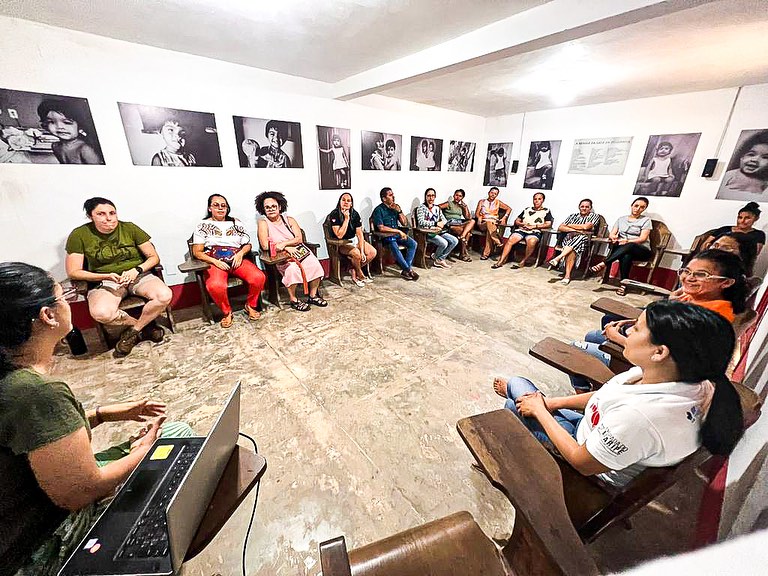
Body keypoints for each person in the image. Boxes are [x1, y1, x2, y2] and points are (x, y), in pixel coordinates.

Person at [0, 262, 193, 576]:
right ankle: (154, 555)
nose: (68, 303)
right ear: (47, 315)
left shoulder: (12, 380)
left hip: (28, 503)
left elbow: (36, 435)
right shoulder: (35, 392)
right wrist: (144, 451)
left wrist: (102, 414)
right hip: (40, 540)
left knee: (176, 431)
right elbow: (83, 490)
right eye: (63, 297)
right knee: (175, 442)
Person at [493, 300, 743, 487]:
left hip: (589, 465)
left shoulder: (641, 417)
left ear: (659, 352)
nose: (628, 332)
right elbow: (604, 396)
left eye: (637, 329)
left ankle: (513, 455)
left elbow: (581, 462)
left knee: (515, 400)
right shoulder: (687, 380)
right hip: (594, 427)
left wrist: (539, 411)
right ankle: (522, 403)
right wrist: (551, 403)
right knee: (523, 394)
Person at [572, 249, 748, 392]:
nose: (689, 278)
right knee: (599, 330)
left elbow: (667, 355)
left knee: (581, 344)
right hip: (651, 350)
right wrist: (637, 320)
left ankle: (588, 392)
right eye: (686, 271)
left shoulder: (709, 317)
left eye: (701, 274)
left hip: (657, 369)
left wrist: (616, 338)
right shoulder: (697, 298)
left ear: (726, 282)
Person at [65, 197, 172, 357]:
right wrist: (106, 276)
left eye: (112, 213)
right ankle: (143, 326)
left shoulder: (129, 228)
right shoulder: (79, 235)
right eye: (101, 214)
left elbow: (153, 257)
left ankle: (134, 331)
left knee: (164, 295)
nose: (108, 218)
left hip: (137, 275)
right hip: (106, 280)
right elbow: (74, 271)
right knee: (101, 313)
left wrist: (136, 270)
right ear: (90, 216)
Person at [192, 194, 266, 327]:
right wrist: (215, 261)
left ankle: (250, 305)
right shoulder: (202, 225)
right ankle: (227, 312)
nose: (220, 208)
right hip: (214, 260)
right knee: (215, 285)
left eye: (223, 205)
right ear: (209, 208)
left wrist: (241, 254)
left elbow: (247, 244)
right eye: (216, 205)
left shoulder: (235, 223)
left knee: (258, 277)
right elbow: (197, 252)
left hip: (236, 257)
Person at [255, 191, 327, 311]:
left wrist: (284, 244)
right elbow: (265, 245)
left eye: (273, 206)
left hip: (299, 251)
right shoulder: (263, 223)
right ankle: (294, 300)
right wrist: (286, 248)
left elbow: (299, 239)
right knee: (292, 269)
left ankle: (313, 295)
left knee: (314, 264)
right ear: (263, 209)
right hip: (280, 256)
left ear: (280, 207)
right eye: (267, 207)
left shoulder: (289, 220)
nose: (271, 209)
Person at [589, 197, 652, 295]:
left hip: (641, 250)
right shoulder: (621, 219)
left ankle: (604, 263)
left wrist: (627, 241)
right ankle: (623, 285)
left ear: (644, 209)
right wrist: (613, 237)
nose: (638, 209)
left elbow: (643, 238)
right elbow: (612, 233)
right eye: (636, 206)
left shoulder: (646, 220)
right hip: (624, 249)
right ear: (631, 206)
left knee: (630, 245)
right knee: (626, 256)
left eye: (642, 207)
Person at [327, 193, 377, 287]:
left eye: (348, 201)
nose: (346, 202)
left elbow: (360, 235)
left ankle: (354, 270)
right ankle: (359, 274)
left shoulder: (355, 214)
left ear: (351, 204)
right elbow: (339, 235)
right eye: (343, 200)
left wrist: (362, 251)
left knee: (372, 252)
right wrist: (346, 219)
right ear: (339, 202)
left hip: (354, 240)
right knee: (356, 253)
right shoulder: (335, 214)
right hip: (342, 243)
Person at [546, 199, 601, 284]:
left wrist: (569, 226)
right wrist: (576, 230)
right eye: (582, 206)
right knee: (572, 249)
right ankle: (567, 276)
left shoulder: (594, 216)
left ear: (590, 208)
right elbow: (561, 227)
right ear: (579, 207)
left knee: (580, 237)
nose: (584, 208)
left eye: (587, 207)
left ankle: (558, 258)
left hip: (584, 241)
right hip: (569, 239)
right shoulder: (573, 216)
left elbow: (586, 227)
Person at [492, 192, 553, 269]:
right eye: (535, 199)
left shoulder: (546, 211)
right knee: (511, 239)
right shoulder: (527, 209)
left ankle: (523, 261)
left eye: (539, 199)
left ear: (543, 200)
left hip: (534, 231)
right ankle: (501, 261)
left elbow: (548, 224)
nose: (537, 201)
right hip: (522, 230)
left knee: (532, 242)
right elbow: (517, 221)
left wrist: (534, 226)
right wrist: (522, 224)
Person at [371, 187, 419, 281]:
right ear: (384, 198)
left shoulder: (395, 207)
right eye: (390, 195)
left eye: (393, 194)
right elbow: (381, 228)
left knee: (413, 244)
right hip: (385, 237)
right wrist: (398, 231)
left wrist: (399, 211)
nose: (393, 197)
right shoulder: (378, 210)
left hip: (396, 235)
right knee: (393, 244)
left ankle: (406, 270)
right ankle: (408, 270)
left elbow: (404, 223)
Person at [37, 99, 103, 165]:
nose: (59, 126)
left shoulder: (85, 149)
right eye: (51, 122)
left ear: (80, 126)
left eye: (67, 122)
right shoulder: (55, 146)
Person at [416, 188, 459, 269]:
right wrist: (435, 223)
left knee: (454, 240)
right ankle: (438, 258)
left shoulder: (437, 208)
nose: (431, 198)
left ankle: (439, 259)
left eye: (433, 196)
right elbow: (421, 222)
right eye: (429, 196)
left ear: (435, 197)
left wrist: (441, 224)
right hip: (427, 232)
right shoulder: (421, 208)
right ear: (425, 197)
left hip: (438, 231)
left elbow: (444, 220)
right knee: (444, 243)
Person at [474, 187, 511, 260]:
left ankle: (486, 254)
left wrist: (504, 218)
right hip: (483, 223)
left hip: (493, 224)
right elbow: (477, 213)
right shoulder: (482, 201)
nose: (493, 195)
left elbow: (509, 209)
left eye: (495, 194)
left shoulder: (498, 202)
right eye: (492, 193)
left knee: (490, 231)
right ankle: (497, 241)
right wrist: (479, 218)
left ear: (497, 195)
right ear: (488, 193)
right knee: (489, 223)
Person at [438, 189, 475, 262]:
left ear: (462, 198)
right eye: (456, 195)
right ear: (454, 196)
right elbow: (437, 207)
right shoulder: (449, 203)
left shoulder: (461, 206)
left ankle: (462, 237)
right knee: (467, 233)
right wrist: (441, 218)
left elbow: (468, 218)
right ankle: (463, 254)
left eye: (460, 196)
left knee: (472, 221)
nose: (457, 197)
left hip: (459, 223)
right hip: (450, 224)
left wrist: (465, 207)